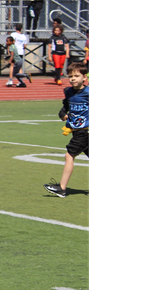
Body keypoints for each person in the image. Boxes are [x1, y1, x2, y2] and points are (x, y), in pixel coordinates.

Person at [44, 62, 90, 198]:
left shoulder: (88, 92)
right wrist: (63, 114)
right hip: (76, 130)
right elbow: (65, 107)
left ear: (85, 77)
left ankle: (62, 188)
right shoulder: (68, 92)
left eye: (76, 76)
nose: (73, 79)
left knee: (69, 155)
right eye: (70, 76)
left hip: (84, 130)